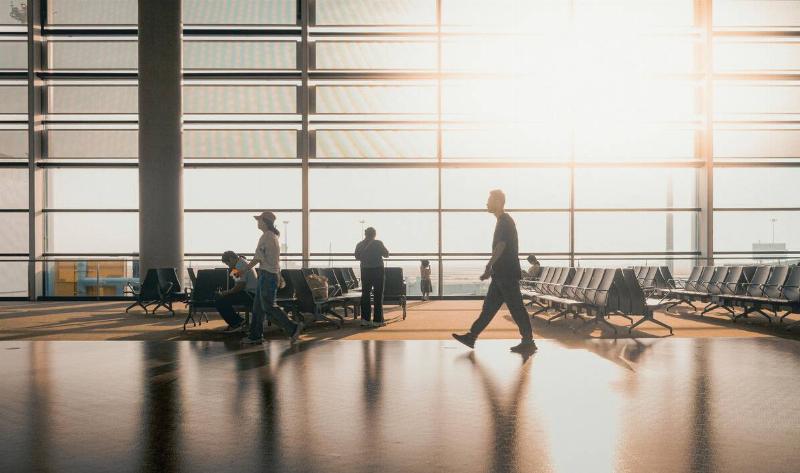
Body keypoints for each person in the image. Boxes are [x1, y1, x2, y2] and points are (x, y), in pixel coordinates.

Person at [452, 190, 537, 354]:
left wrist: (489, 266)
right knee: (489, 308)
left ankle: (528, 341)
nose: (487, 203)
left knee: (516, 307)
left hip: (507, 273)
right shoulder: (502, 221)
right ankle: (472, 336)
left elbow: (501, 246)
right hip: (501, 274)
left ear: (498, 201)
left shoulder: (505, 221)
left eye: (489, 200)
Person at [240, 211, 302, 345]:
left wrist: (242, 270)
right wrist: (278, 276)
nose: (257, 222)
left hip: (267, 276)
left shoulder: (266, 237)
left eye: (259, 220)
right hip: (269, 275)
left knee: (269, 307)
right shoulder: (272, 237)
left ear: (265, 222)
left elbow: (257, 258)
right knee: (257, 308)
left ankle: (293, 328)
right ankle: (255, 336)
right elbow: (274, 261)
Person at [215, 250, 258, 334]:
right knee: (222, 299)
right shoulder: (239, 264)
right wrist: (227, 292)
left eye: (227, 263)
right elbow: (237, 283)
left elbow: (240, 286)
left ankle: (237, 323)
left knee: (220, 301)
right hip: (249, 293)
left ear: (231, 259)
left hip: (250, 294)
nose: (228, 266)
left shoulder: (240, 266)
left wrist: (225, 293)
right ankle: (236, 322)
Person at [354, 227, 389, 328]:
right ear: (374, 234)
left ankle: (365, 319)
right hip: (378, 270)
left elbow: (357, 256)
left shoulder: (360, 244)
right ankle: (377, 321)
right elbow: (386, 254)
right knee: (378, 295)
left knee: (365, 295)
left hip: (365, 271)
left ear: (365, 234)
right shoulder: (378, 243)